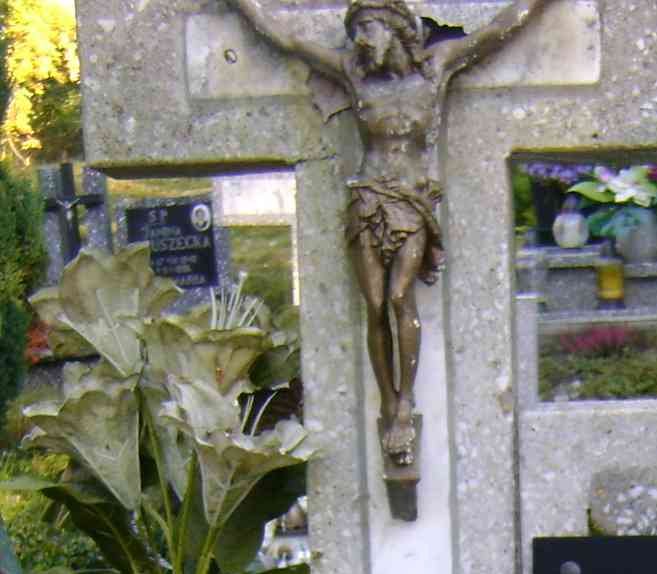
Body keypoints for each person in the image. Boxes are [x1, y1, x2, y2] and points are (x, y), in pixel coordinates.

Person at [230, 0, 560, 481]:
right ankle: (388, 401)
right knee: (374, 305)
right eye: (356, 32)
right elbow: (287, 40)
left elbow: (495, 31)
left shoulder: (435, 69)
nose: (362, 41)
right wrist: (242, 6)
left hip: (411, 204)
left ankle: (405, 403)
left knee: (400, 296)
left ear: (396, 29)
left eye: (369, 29)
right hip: (368, 201)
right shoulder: (354, 74)